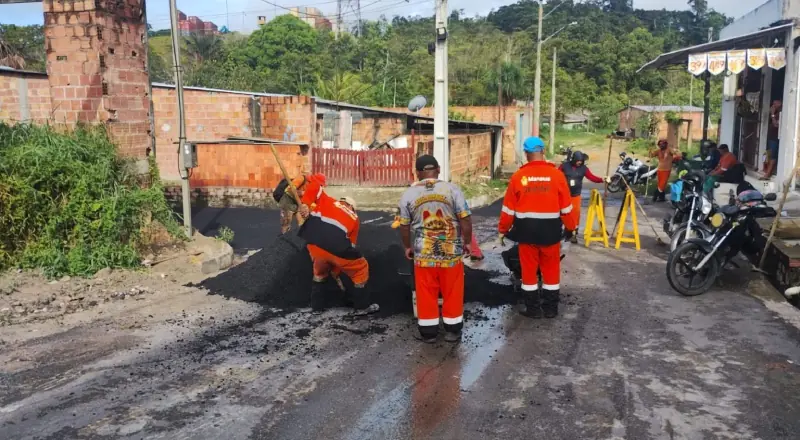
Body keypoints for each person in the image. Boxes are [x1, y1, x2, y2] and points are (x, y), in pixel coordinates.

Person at [499, 136, 577, 319]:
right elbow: (566, 207)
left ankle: (533, 309)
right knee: (551, 271)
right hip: (550, 233)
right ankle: (550, 309)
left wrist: (503, 230)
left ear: (526, 154)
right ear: (542, 151)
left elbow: (508, 209)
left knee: (529, 272)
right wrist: (571, 227)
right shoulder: (557, 175)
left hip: (526, 233)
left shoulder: (518, 176)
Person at [397, 155, 473, 343]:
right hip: (451, 251)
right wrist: (468, 241)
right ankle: (453, 331)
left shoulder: (408, 194)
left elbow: (404, 225)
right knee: (452, 290)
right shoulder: (452, 190)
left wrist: (407, 246)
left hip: (423, 253)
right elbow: (465, 219)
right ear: (438, 170)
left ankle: (429, 333)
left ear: (417, 172)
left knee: (426, 291)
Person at [298, 193, 379, 315]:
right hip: (337, 248)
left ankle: (316, 308)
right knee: (361, 269)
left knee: (319, 274)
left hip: (315, 246)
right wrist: (339, 265)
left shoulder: (329, 202)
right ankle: (362, 306)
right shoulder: (354, 217)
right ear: (351, 207)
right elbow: (350, 247)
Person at [558, 150, 605, 243]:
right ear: (574, 159)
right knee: (563, 214)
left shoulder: (584, 168)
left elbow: (592, 177)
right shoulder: (564, 166)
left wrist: (602, 179)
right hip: (564, 195)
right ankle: (563, 232)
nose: (580, 162)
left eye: (581, 161)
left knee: (575, 215)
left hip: (576, 196)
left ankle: (574, 234)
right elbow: (556, 175)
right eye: (578, 160)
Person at [763, 100, 782, 180]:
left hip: (774, 138)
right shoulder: (776, 113)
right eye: (773, 104)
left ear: (780, 104)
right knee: (766, 154)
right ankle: (765, 170)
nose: (773, 105)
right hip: (771, 138)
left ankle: (767, 174)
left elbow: (776, 125)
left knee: (772, 156)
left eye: (775, 103)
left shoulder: (780, 114)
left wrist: (772, 114)